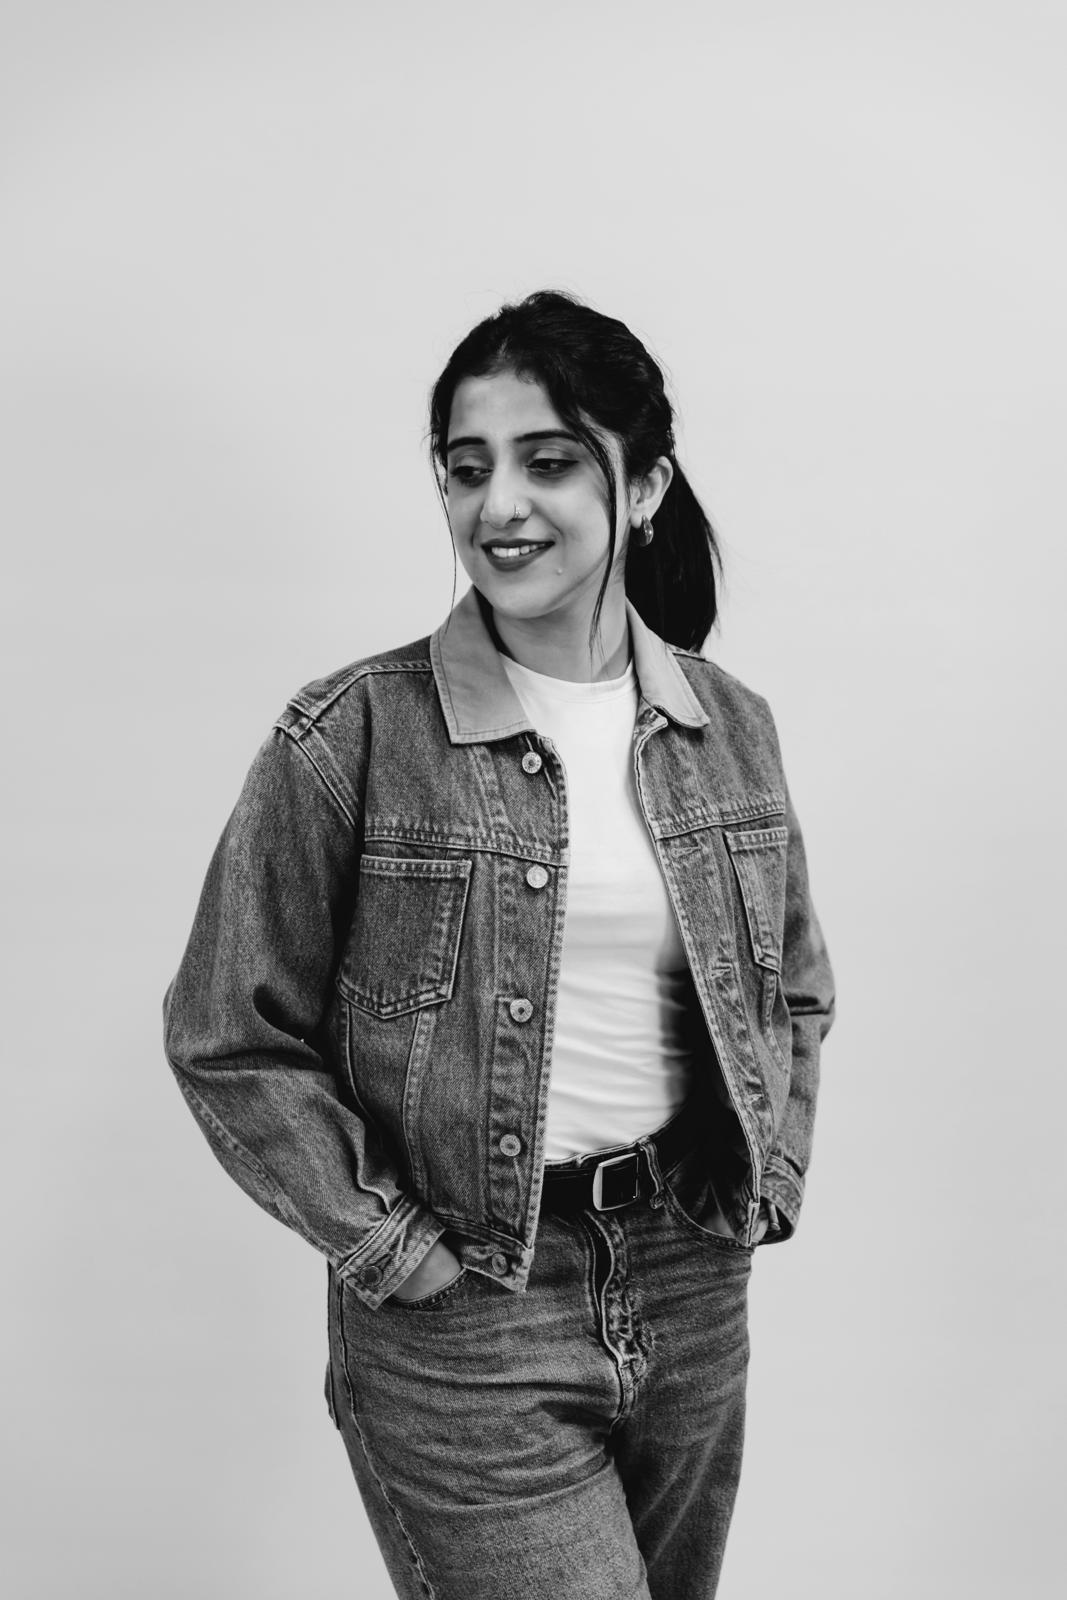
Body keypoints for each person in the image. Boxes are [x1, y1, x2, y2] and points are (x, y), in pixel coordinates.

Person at [163, 288, 835, 1600]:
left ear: (642, 488)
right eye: (467, 470)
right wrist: (384, 1243)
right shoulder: (350, 735)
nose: (500, 505)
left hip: (692, 1291)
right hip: (468, 1318)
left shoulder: (728, 727)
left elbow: (794, 983)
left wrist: (769, 1180)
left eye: (549, 460)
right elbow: (227, 1029)